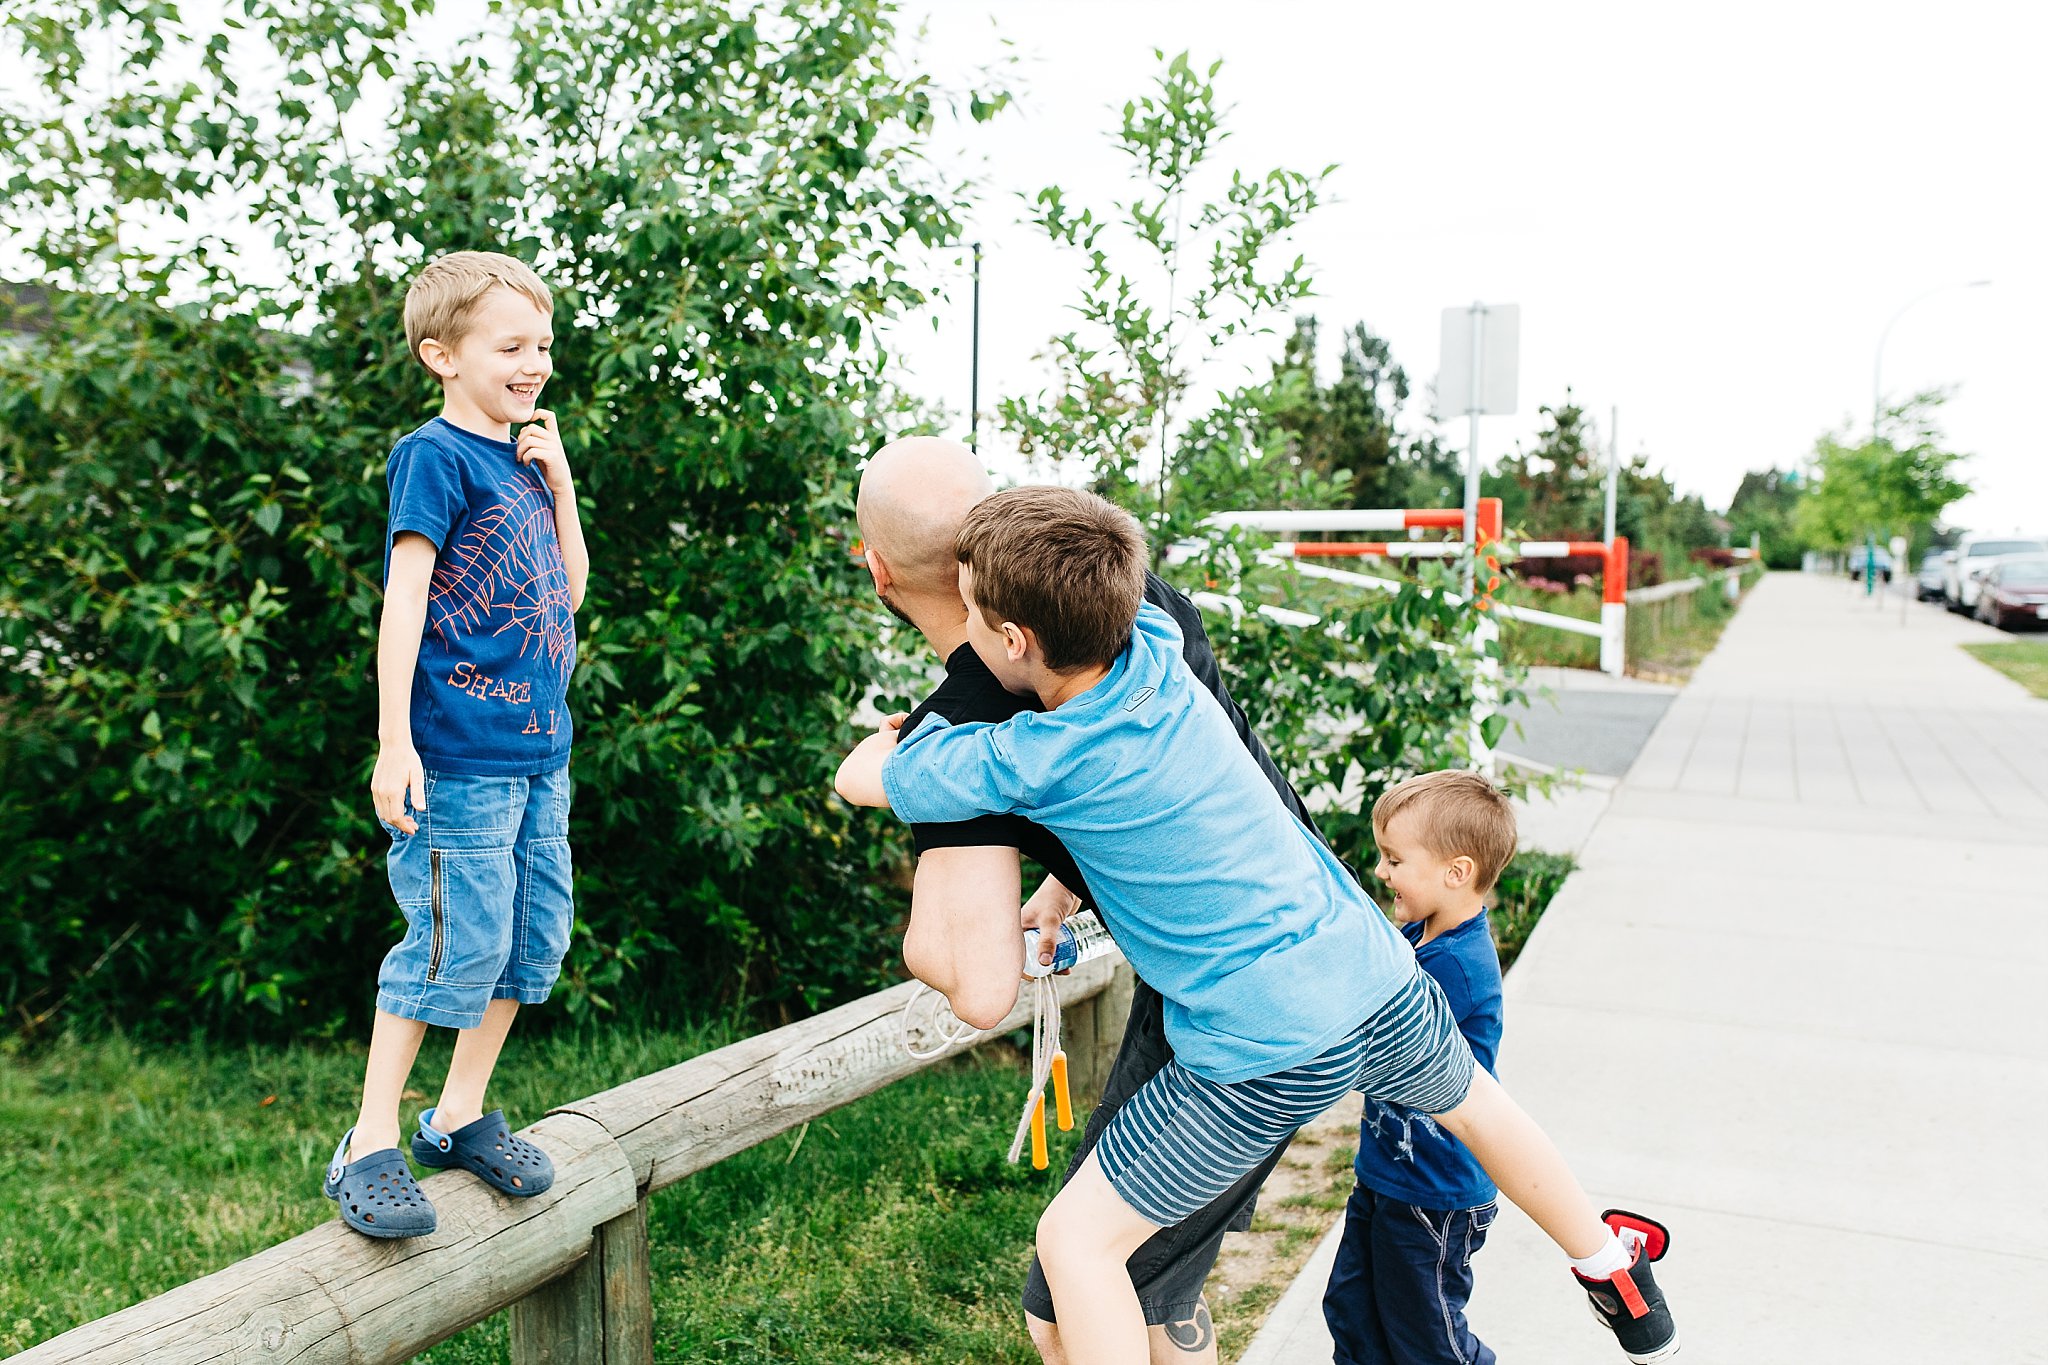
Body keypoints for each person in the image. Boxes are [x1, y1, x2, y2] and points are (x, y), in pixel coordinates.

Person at [836, 487, 1679, 1365]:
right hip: (1372, 974)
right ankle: (1612, 1270)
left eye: (974, 611)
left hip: (1262, 1053)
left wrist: (884, 743)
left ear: (1015, 642)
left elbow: (873, 777)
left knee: (1078, 1245)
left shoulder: (1034, 758)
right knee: (1477, 1105)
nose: (966, 624)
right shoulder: (1156, 644)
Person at [855, 437, 1326, 1363]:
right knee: (1147, 1288)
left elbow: (982, 989)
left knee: (1073, 1297)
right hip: (1304, 937)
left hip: (1229, 1014)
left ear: (877, 570)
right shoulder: (1125, 607)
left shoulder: (960, 729)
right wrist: (1069, 882)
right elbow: (1166, 785)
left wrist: (922, 938)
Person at [322, 250, 590, 1239]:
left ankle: (457, 1114)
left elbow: (569, 591)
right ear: (442, 355)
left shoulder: (521, 461)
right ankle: (368, 1138)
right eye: (510, 346)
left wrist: (559, 487)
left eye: (543, 347)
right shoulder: (431, 457)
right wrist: (395, 741)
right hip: (457, 759)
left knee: (527, 945)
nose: (533, 364)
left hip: (538, 757)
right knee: (448, 947)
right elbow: (404, 599)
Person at [1322, 770, 1516, 1365]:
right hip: (1388, 1173)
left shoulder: (1456, 969)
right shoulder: (1420, 932)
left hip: (1437, 1191)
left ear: (1456, 872)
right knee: (1353, 1311)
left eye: (1394, 859)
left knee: (1426, 1340)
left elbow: (1374, 1042)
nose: (1381, 872)